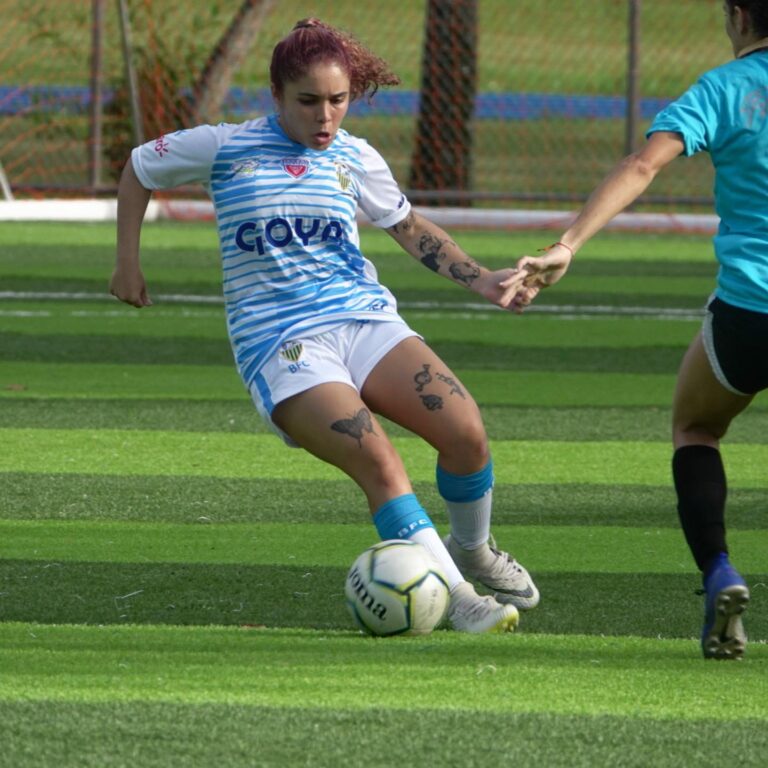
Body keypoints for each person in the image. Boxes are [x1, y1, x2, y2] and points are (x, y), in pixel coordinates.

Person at [110, 18, 539, 634]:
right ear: (276, 95)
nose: (325, 117)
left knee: (467, 432)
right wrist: (127, 261)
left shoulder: (356, 156)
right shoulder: (225, 146)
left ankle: (471, 546)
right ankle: (461, 598)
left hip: (363, 319)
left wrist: (481, 278)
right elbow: (137, 168)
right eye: (308, 102)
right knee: (379, 460)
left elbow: (410, 228)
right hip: (282, 343)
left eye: (337, 101)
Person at [501, 1, 768, 658]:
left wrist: (567, 244)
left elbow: (644, 165)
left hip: (748, 313)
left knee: (696, 427)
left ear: (737, 14)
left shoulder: (725, 88)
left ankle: (719, 573)